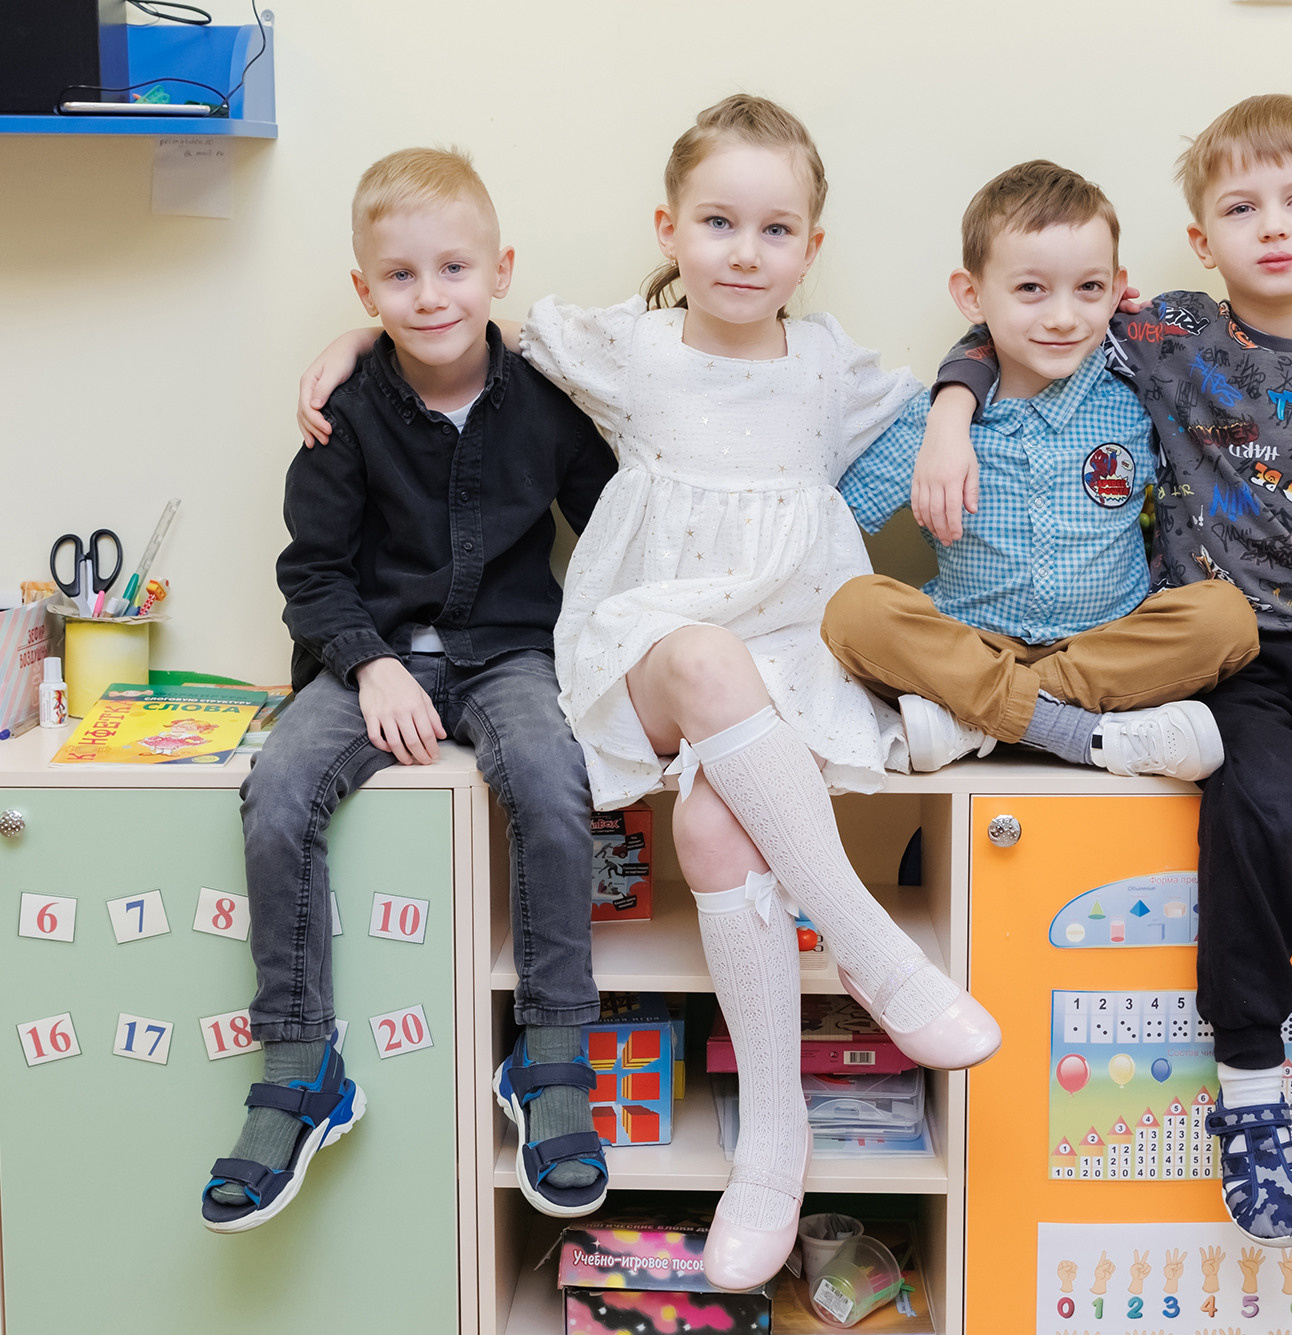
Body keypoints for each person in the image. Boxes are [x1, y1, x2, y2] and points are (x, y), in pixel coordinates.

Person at [297, 96, 1001, 1291]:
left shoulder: (826, 364)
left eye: (775, 229)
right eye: (717, 222)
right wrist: (351, 343)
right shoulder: (630, 347)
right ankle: (880, 957)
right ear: (669, 228)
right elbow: (459, 317)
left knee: (716, 821)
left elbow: (973, 350)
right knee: (704, 658)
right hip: (648, 649)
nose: (743, 250)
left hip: (785, 649)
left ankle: (771, 1153)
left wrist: (951, 416)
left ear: (811, 248)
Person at [919, 95, 1292, 1244]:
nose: (1270, 227)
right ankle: (1251, 1094)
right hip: (1222, 654)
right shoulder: (1167, 337)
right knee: (1254, 806)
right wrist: (944, 414)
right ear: (1198, 240)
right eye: (1238, 207)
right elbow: (1015, 314)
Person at [210, 147, 618, 1234]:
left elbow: (619, 522)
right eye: (398, 279)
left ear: (498, 272)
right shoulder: (342, 411)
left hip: (508, 651)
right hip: (372, 654)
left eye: (453, 270)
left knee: (547, 772)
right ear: (364, 291)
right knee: (278, 788)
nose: (429, 296)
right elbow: (312, 572)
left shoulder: (551, 398)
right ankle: (301, 1070)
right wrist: (372, 662)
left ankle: (550, 1062)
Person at [821, 160, 1260, 779]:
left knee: (1227, 618)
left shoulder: (1140, 397)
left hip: (1108, 647)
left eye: (1087, 288)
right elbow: (833, 525)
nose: (1062, 317)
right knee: (853, 611)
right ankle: (1081, 734)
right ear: (972, 296)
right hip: (970, 642)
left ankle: (979, 721)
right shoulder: (935, 421)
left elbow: (1254, 385)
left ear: (1115, 289)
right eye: (1031, 289)